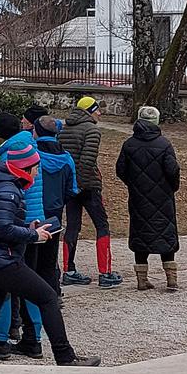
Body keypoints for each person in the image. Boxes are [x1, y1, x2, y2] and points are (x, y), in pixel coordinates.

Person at [0, 140, 100, 367]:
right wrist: (34, 235)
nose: (38, 173)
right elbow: (2, 228)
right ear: (24, 169)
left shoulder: (2, 185)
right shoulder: (8, 190)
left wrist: (29, 228)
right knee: (48, 297)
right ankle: (65, 358)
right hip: (3, 260)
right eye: (36, 168)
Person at [0, 112, 46, 362]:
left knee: (7, 287)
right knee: (32, 284)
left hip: (18, 225)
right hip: (37, 221)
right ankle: (33, 339)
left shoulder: (12, 154)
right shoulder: (31, 146)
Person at [59, 97, 122, 289]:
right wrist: (82, 185)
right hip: (88, 186)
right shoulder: (92, 130)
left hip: (69, 186)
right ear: (89, 111)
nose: (100, 113)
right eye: (97, 110)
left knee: (72, 227)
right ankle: (105, 272)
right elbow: (87, 160)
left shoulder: (64, 128)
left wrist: (71, 185)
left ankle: (68, 271)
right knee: (102, 226)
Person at [115, 106, 181, 292]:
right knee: (165, 232)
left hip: (138, 197)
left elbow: (120, 169)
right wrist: (171, 187)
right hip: (163, 197)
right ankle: (171, 280)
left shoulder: (129, 144)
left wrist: (133, 184)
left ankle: (142, 280)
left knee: (140, 233)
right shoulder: (164, 144)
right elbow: (173, 170)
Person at [35, 116, 79, 294]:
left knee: (31, 256)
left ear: (36, 131)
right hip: (55, 211)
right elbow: (72, 189)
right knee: (50, 257)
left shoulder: (33, 154)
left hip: (34, 210)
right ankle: (53, 293)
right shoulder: (67, 158)